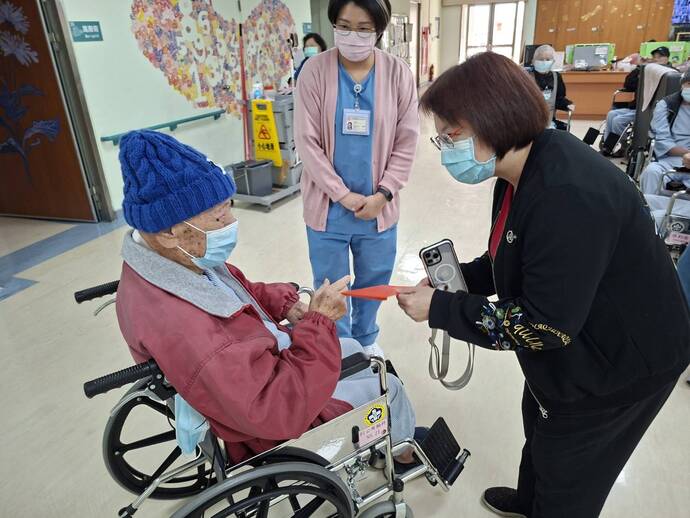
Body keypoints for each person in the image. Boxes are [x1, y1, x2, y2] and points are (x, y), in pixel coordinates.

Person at [395, 52, 690, 518]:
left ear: (494, 120)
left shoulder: (568, 195)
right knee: (540, 424)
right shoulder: (519, 169)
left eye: (451, 135)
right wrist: (459, 281)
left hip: (622, 364)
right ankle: (529, 501)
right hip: (573, 340)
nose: (446, 147)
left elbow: (542, 326)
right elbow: (510, 257)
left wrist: (441, 309)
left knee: (569, 470)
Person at [114, 130, 417, 465]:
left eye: (229, 207)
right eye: (219, 215)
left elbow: (238, 291)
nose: (231, 221)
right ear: (170, 233)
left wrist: (284, 302)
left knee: (355, 348)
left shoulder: (173, 265)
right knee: (387, 386)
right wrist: (318, 324)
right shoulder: (188, 330)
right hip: (278, 416)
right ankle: (402, 452)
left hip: (261, 365)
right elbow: (278, 407)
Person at [294, 0, 419, 358]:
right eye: (344, 26)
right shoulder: (314, 71)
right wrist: (343, 195)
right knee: (331, 286)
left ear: (379, 30)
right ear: (333, 24)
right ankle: (339, 346)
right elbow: (307, 142)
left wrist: (384, 194)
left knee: (373, 280)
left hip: (378, 208)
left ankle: (365, 338)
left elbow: (407, 140)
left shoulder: (398, 73)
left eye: (364, 29)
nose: (353, 36)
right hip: (328, 209)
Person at [639, 70, 690, 195]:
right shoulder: (666, 105)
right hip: (671, 160)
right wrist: (687, 154)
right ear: (682, 84)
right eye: (689, 83)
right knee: (651, 172)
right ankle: (649, 206)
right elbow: (662, 140)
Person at [529, 44, 573, 130]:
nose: (544, 62)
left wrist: (569, 105)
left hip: (549, 120)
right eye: (541, 59)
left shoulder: (556, 77)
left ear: (553, 61)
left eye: (548, 59)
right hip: (529, 120)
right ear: (533, 61)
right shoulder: (525, 76)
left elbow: (559, 99)